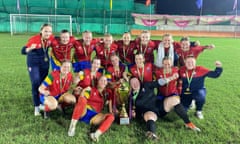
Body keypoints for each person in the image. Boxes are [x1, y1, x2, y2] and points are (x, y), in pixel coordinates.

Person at [128, 76, 200, 140]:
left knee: (174, 100)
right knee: (148, 116)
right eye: (132, 82)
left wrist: (169, 78)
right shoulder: (130, 97)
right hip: (149, 112)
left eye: (136, 81)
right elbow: (133, 110)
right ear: (130, 85)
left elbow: (157, 83)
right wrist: (134, 114)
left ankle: (188, 123)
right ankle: (152, 134)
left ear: (139, 81)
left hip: (159, 106)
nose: (135, 83)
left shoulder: (146, 85)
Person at [68, 76, 115, 142]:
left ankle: (96, 134)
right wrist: (84, 90)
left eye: (105, 81)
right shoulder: (91, 90)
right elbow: (82, 98)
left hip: (94, 116)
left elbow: (112, 96)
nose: (103, 82)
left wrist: (111, 110)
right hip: (83, 111)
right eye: (101, 80)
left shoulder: (106, 93)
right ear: (97, 82)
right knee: (83, 100)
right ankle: (72, 126)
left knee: (111, 117)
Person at [21, 23, 54, 116]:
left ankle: (43, 103)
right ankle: (36, 106)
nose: (48, 33)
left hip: (44, 63)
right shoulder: (34, 39)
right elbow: (23, 50)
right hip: (33, 63)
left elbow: (61, 39)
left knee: (44, 84)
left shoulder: (51, 38)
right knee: (36, 82)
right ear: (41, 31)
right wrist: (29, 49)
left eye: (50, 31)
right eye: (46, 31)